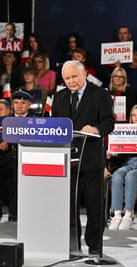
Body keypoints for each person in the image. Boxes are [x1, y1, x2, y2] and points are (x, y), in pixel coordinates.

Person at [51, 61, 114, 255]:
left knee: (94, 205)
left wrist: (95, 129)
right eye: (67, 78)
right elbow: (54, 124)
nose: (71, 81)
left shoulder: (100, 94)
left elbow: (108, 123)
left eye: (74, 77)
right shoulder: (59, 97)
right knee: (69, 205)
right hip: (66, 158)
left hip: (91, 158)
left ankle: (95, 245)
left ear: (84, 74)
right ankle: (72, 242)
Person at [0, 90, 33, 222]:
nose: (19, 106)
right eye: (16, 103)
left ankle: (15, 211)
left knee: (19, 177)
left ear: (29, 105)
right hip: (7, 159)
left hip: (27, 160)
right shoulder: (3, 121)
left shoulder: (36, 120)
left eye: (23, 103)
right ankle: (12, 204)